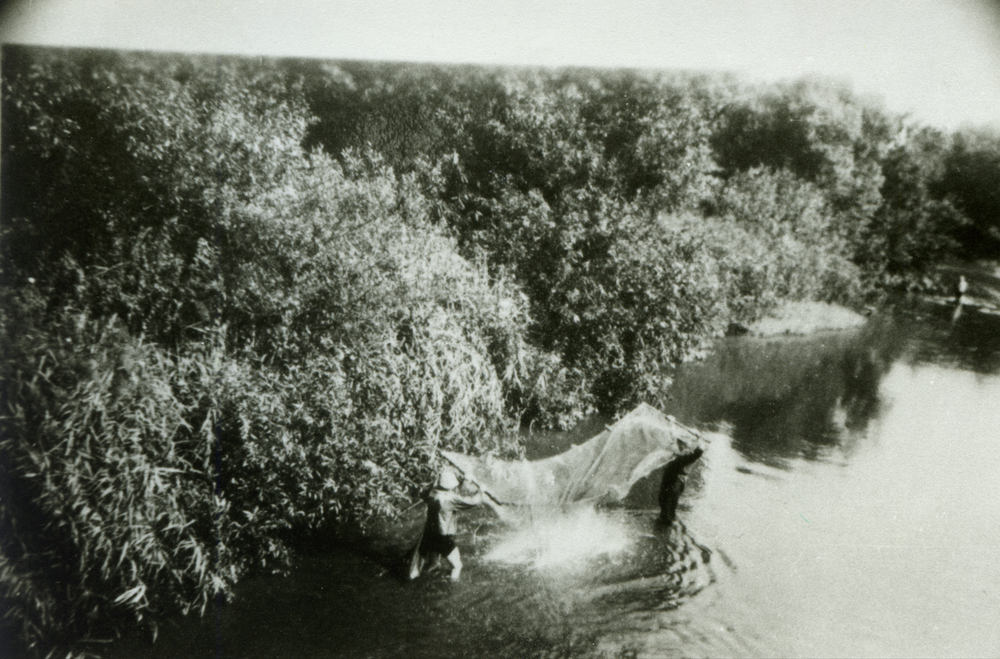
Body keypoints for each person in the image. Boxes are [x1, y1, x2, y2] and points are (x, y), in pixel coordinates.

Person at [407, 466, 485, 581]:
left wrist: (465, 482)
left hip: (429, 534)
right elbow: (472, 501)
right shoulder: (449, 499)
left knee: (432, 565)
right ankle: (453, 585)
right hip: (442, 537)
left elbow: (456, 493)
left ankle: (426, 578)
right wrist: (480, 490)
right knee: (457, 566)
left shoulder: (432, 494)